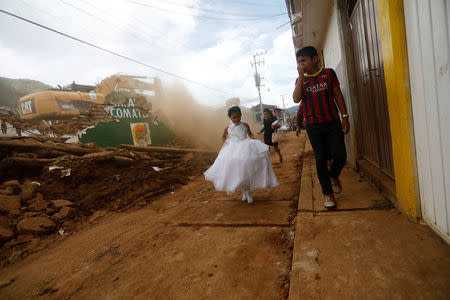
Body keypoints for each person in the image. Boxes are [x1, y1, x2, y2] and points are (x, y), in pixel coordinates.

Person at [293, 46, 350, 209]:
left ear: (315, 59)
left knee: (340, 155)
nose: (301, 64)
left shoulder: (329, 73)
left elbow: (338, 94)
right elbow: (296, 99)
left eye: (303, 60)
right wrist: (300, 76)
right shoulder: (301, 80)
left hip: (332, 122)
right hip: (313, 125)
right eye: (298, 62)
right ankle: (328, 193)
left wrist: (345, 117)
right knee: (320, 159)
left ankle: (333, 176)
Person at [204, 106, 279, 204]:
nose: (236, 119)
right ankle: (244, 191)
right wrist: (228, 142)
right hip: (233, 148)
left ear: (241, 116)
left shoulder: (245, 125)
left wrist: (254, 140)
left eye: (238, 117)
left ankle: (248, 191)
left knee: (247, 166)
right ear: (230, 117)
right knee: (238, 170)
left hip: (245, 146)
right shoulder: (227, 128)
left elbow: (250, 134)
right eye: (234, 117)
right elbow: (223, 137)